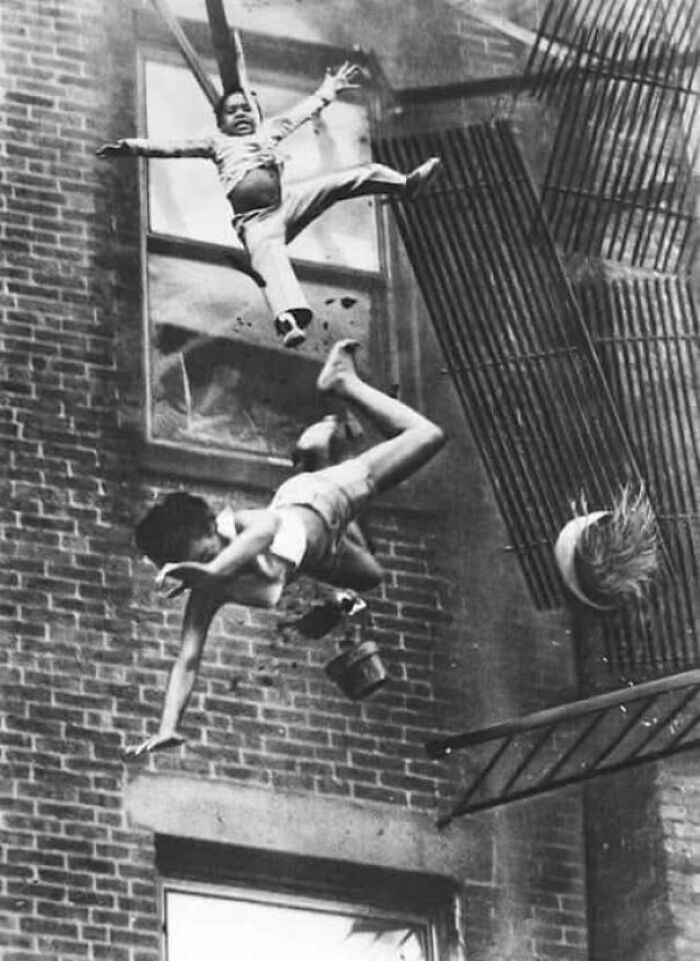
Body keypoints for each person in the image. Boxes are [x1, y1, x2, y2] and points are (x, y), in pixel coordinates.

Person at [128, 339, 445, 754]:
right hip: (322, 554)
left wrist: (212, 568)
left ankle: (343, 382)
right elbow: (187, 659)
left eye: (208, 553)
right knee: (371, 576)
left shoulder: (238, 524)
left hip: (323, 500)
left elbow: (266, 531)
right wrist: (167, 727)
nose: (213, 564)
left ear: (212, 525)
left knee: (427, 436)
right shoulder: (207, 591)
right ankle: (318, 453)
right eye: (199, 566)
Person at [97, 63, 441, 347]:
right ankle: (287, 320)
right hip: (256, 221)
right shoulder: (215, 142)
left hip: (287, 202)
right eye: (231, 111)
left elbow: (304, 111)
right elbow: (172, 147)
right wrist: (131, 146)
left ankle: (404, 184)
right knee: (270, 259)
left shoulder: (269, 131)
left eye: (246, 109)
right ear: (220, 121)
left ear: (257, 114)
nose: (240, 114)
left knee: (351, 178)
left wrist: (330, 88)